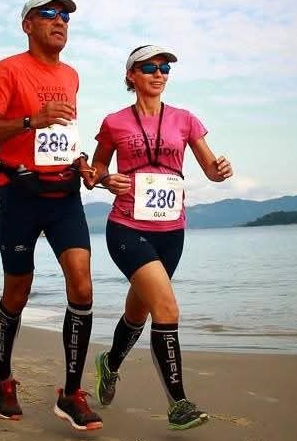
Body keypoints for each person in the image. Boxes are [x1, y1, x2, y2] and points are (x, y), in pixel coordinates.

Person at [0, 0, 102, 432]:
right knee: (18, 293)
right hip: (20, 196)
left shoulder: (71, 75)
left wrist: (82, 163)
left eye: (65, 15)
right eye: (49, 14)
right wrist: (30, 120)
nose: (59, 21)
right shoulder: (7, 70)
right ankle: (3, 376)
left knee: (82, 287)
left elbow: (62, 137)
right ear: (28, 25)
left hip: (65, 196)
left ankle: (70, 393)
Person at [85, 45, 233, 430]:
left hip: (171, 231)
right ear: (131, 75)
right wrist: (104, 179)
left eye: (164, 67)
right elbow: (97, 168)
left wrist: (221, 169)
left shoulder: (185, 120)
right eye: (149, 67)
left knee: (140, 312)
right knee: (167, 309)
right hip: (127, 228)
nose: (159, 73)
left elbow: (210, 170)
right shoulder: (115, 122)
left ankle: (110, 362)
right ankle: (178, 403)